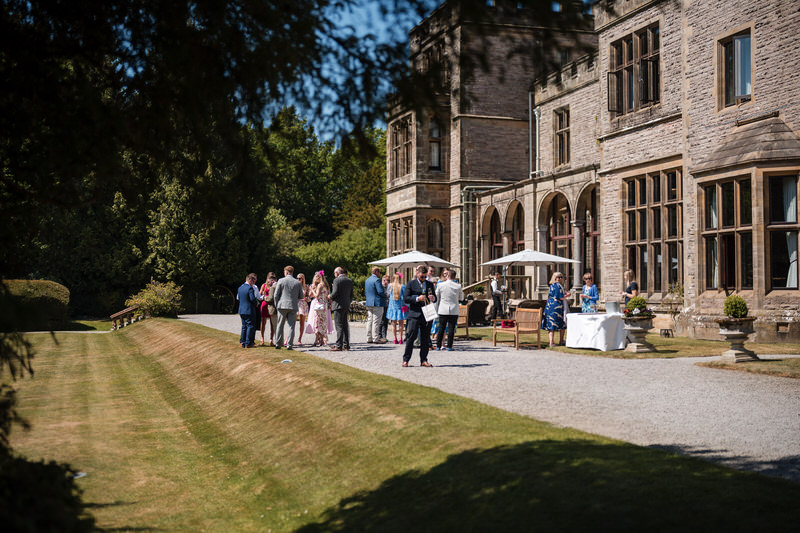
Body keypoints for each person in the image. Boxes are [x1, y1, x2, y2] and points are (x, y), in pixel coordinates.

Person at [402, 265, 436, 367]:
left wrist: (433, 298)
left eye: (425, 277)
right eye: (422, 277)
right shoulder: (411, 284)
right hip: (414, 314)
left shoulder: (429, 284)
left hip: (427, 314)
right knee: (411, 337)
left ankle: (424, 360)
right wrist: (417, 298)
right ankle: (406, 359)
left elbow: (436, 298)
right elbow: (406, 298)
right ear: (417, 274)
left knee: (425, 338)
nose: (424, 279)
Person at [273, 265, 303, 350]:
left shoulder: (281, 281)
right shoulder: (297, 282)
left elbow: (276, 295)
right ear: (292, 272)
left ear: (286, 272)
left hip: (282, 305)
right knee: (291, 326)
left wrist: (277, 304)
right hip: (293, 306)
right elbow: (301, 296)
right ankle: (289, 344)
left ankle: (278, 344)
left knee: (280, 325)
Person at [435, 268, 464, 351]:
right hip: (453, 309)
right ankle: (449, 346)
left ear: (447, 276)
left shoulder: (440, 285)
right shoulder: (458, 286)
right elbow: (461, 297)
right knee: (451, 328)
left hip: (443, 309)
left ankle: (438, 345)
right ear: (454, 277)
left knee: (441, 328)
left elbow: (437, 297)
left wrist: (436, 308)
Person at [542, 271, 571, 347]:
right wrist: (567, 295)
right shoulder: (556, 285)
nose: (560, 278)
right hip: (556, 308)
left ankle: (558, 341)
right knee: (555, 324)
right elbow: (560, 297)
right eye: (558, 277)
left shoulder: (555, 286)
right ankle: (552, 342)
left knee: (557, 324)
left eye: (561, 277)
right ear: (554, 278)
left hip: (553, 307)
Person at [306, 272, 334, 347]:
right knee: (323, 322)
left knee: (318, 322)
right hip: (324, 305)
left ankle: (320, 340)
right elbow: (327, 296)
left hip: (318, 305)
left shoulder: (319, 285)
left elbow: (317, 296)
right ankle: (322, 340)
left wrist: (312, 290)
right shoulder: (325, 286)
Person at [329, 266, 354, 351]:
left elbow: (335, 293)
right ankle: (346, 345)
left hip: (338, 305)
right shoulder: (349, 280)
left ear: (337, 273)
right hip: (346, 305)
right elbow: (351, 295)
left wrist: (330, 296)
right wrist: (347, 302)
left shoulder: (336, 280)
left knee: (339, 326)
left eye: (334, 273)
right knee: (345, 326)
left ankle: (339, 345)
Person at [365, 266, 387, 343]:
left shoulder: (367, 280)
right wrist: (386, 295)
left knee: (369, 321)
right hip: (377, 303)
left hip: (369, 303)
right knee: (376, 321)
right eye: (379, 272)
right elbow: (380, 291)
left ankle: (369, 338)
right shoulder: (377, 280)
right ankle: (375, 338)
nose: (380, 274)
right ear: (377, 272)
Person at [237, 273, 258, 348]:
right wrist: (256, 302)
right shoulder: (249, 288)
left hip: (241, 309)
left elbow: (239, 298)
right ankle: (248, 343)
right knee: (250, 326)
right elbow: (252, 299)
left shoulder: (240, 288)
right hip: (249, 309)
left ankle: (242, 341)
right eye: (253, 281)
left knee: (244, 326)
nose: (253, 283)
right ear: (249, 280)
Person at [386, 273, 408, 344]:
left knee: (393, 323)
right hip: (400, 307)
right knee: (401, 324)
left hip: (392, 307)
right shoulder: (402, 286)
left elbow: (388, 294)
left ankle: (395, 338)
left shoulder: (390, 286)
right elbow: (404, 297)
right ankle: (401, 338)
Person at [262, 272, 278, 346]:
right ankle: (262, 338)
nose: (271, 279)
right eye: (270, 277)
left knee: (272, 322)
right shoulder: (264, 285)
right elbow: (260, 294)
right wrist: (263, 295)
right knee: (263, 322)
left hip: (272, 305)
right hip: (265, 304)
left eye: (273, 277)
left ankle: (271, 339)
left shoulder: (276, 285)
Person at [296, 273, 309, 345]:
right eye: (297, 278)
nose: (298, 280)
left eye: (299, 278)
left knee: (302, 323)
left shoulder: (306, 287)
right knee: (292, 322)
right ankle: (288, 339)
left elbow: (309, 297)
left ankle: (299, 339)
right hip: (296, 304)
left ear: (303, 279)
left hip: (303, 304)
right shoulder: (295, 285)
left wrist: (306, 298)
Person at [379, 274, 390, 341]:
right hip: (381, 305)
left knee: (386, 321)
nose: (386, 282)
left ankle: (384, 336)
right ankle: (380, 336)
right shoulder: (380, 287)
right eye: (385, 280)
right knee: (381, 321)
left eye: (388, 280)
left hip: (388, 305)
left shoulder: (389, 287)